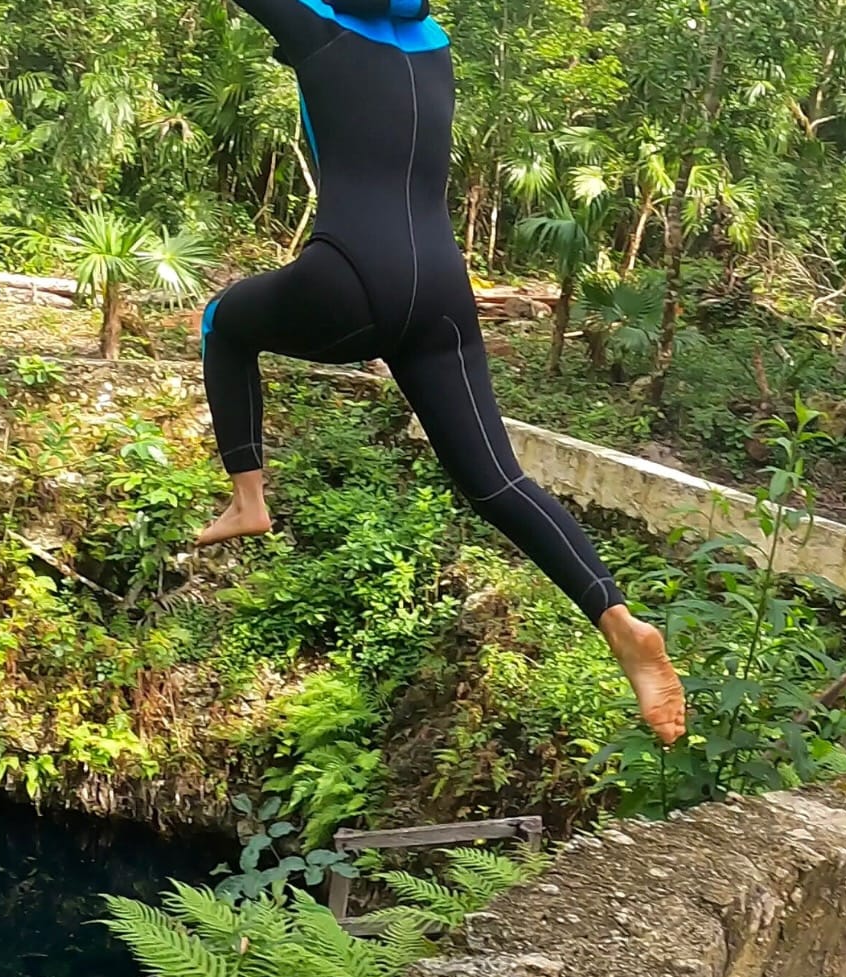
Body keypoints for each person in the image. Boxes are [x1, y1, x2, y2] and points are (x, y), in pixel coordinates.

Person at [195, 0, 686, 744]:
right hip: (443, 295)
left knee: (221, 324)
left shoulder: (317, 26)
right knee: (498, 481)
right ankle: (618, 622)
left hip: (350, 276)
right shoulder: (434, 46)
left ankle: (248, 497)